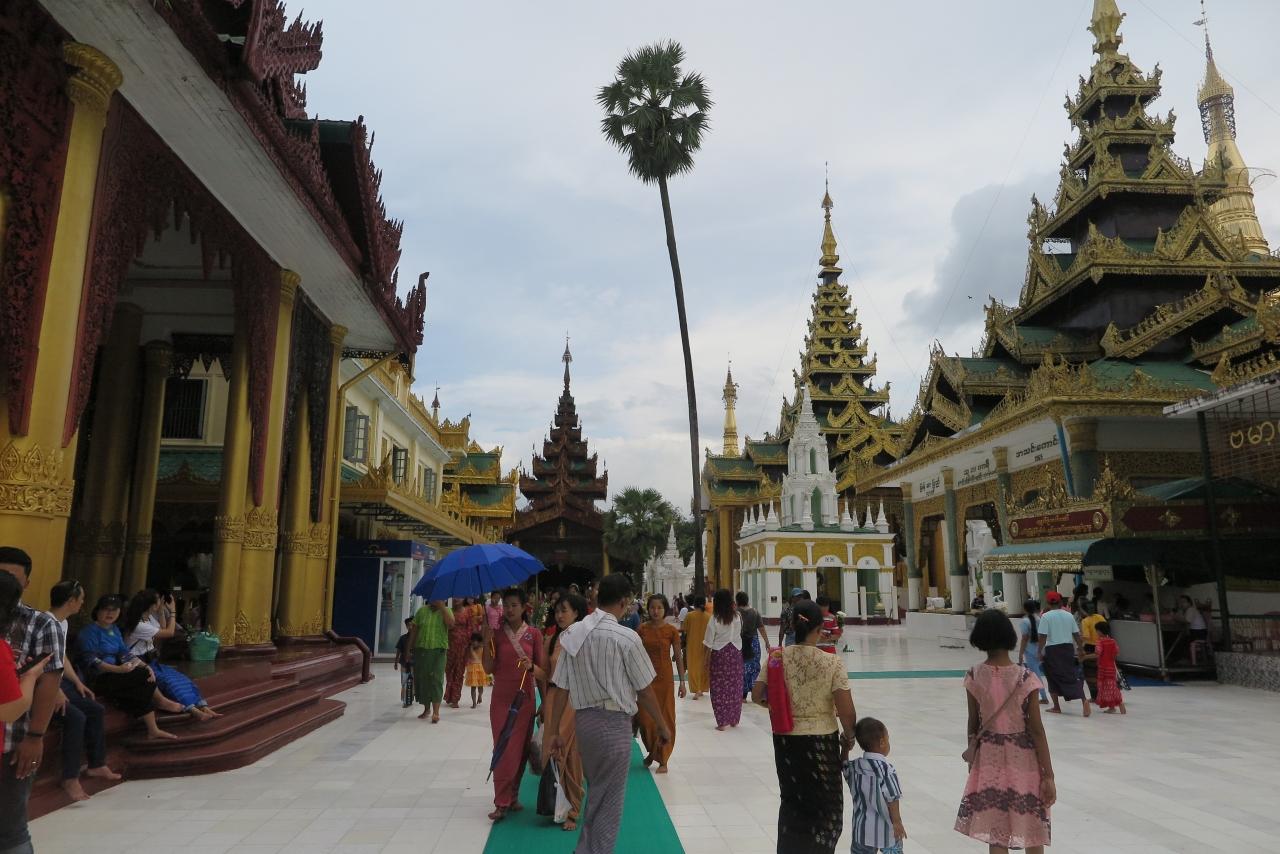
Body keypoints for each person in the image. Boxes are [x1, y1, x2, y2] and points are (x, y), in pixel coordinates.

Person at [546, 573, 669, 854]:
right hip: (614, 726)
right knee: (610, 802)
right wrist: (662, 726)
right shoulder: (627, 638)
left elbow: (560, 688)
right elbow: (645, 690)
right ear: (624, 602)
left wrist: (554, 732)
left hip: (585, 725)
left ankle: (585, 849)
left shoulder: (573, 635)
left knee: (598, 793)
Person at [752, 600, 856, 854]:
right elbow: (846, 711)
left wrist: (777, 706)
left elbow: (756, 694)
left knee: (792, 801)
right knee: (827, 808)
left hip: (787, 741)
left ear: (792, 626)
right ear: (819, 630)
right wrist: (849, 736)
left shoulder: (777, 657)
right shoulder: (832, 662)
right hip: (822, 743)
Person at [955, 609, 1055, 853]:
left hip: (989, 757)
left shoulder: (974, 675)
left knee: (996, 829)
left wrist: (974, 760)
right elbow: (1036, 730)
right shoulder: (1025, 677)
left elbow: (973, 723)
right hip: (1024, 758)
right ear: (1009, 637)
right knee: (1032, 826)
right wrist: (1049, 775)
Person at [0, 561, 56, 854]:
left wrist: (35, 736)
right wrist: (30, 677)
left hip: (12, 743)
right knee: (11, 835)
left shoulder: (42, 623)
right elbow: (10, 709)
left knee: (10, 828)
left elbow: (52, 682)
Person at [47, 580, 120, 801]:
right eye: (80, 599)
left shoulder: (63, 623)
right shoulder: (46, 623)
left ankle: (97, 764)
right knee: (76, 718)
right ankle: (70, 777)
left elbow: (61, 657)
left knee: (95, 709)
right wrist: (55, 690)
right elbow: (42, 660)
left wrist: (76, 682)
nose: (82, 604)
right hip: (44, 686)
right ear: (71, 601)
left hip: (60, 683)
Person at [78, 596, 187, 739]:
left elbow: (124, 653)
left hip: (116, 673)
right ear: (97, 611)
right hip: (98, 677)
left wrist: (145, 666)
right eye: (106, 609)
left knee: (145, 675)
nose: (110, 613)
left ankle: (152, 729)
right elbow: (91, 661)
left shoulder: (114, 629)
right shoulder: (88, 632)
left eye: (114, 610)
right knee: (142, 677)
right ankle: (157, 706)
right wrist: (118, 670)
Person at [481, 587, 546, 821]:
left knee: (520, 749)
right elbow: (488, 668)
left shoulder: (534, 634)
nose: (509, 609)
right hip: (501, 699)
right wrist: (485, 642)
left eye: (513, 605)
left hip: (525, 699)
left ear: (524, 607)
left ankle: (513, 796)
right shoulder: (496, 634)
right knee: (503, 748)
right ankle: (501, 801)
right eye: (506, 605)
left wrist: (545, 702)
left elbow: (543, 672)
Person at [123, 589, 219, 721]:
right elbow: (169, 633)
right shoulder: (138, 625)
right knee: (170, 683)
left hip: (152, 662)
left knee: (183, 679)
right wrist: (173, 612)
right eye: (158, 600)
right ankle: (192, 710)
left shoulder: (148, 618)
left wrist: (161, 611)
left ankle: (203, 706)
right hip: (139, 663)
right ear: (151, 605)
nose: (160, 601)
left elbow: (162, 628)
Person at [543, 591, 588, 830]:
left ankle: (573, 809)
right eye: (557, 610)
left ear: (577, 613)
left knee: (571, 756)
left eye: (565, 611)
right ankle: (558, 804)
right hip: (553, 699)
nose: (559, 615)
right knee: (554, 753)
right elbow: (545, 674)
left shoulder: (584, 639)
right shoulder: (552, 639)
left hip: (574, 700)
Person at [844, 717, 906, 854]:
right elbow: (892, 797)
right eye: (888, 739)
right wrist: (897, 822)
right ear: (882, 742)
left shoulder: (855, 766)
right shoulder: (887, 770)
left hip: (861, 830)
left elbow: (844, 767)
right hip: (886, 829)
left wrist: (845, 749)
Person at [636, 593, 683, 772]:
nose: (655, 611)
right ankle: (652, 750)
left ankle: (663, 759)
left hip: (665, 680)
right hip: (645, 679)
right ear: (648, 609)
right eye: (652, 608)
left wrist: (683, 682)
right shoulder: (642, 629)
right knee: (645, 719)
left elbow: (678, 656)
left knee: (666, 717)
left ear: (665, 610)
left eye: (659, 608)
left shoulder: (671, 631)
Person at [1036, 591, 1090, 717]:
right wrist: (1080, 649)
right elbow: (1076, 634)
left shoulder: (1046, 616)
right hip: (1067, 649)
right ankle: (1083, 699)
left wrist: (1039, 651)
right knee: (1070, 675)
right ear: (1060, 602)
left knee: (1051, 677)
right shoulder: (1068, 615)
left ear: (1048, 603)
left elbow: (1042, 636)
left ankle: (1056, 706)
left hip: (1052, 650)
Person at [409, 599, 453, 723]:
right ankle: (427, 709)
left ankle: (436, 712)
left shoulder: (447, 610)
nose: (436, 599)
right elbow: (414, 632)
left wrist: (442, 608)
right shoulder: (421, 611)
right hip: (421, 650)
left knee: (437, 680)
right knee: (424, 679)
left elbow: (451, 624)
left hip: (439, 651)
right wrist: (408, 650)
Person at [704, 588, 743, 731]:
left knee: (718, 688)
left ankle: (722, 722)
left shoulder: (715, 618)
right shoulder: (738, 616)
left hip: (719, 656)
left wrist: (705, 661)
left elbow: (708, 642)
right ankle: (734, 719)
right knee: (735, 687)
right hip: (735, 654)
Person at [737, 591, 770, 699]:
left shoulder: (735, 613)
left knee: (742, 667)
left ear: (737, 601)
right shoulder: (755, 612)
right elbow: (761, 628)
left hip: (739, 642)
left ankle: (743, 695)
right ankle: (756, 692)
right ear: (747, 600)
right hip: (753, 642)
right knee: (755, 666)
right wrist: (767, 642)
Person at [444, 597, 476, 709]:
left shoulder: (468, 611)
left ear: (463, 599)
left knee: (459, 672)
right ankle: (449, 695)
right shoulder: (448, 612)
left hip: (463, 646)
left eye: (459, 597)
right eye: (455, 597)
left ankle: (455, 699)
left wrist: (468, 644)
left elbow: (470, 628)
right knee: (449, 671)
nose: (456, 599)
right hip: (449, 645)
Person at [1089, 621, 1126, 715]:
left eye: (1096, 631)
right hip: (1111, 667)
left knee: (1105, 687)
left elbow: (1097, 653)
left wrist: (1085, 657)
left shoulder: (1100, 641)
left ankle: (1112, 707)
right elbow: (1116, 653)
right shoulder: (1113, 641)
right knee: (1112, 686)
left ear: (1099, 631)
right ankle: (1119, 703)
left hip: (1103, 668)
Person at [1016, 599, 1049, 705]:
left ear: (1024, 609)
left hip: (1030, 650)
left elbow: (1024, 638)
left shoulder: (1024, 621)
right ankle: (1032, 694)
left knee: (1035, 674)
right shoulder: (1039, 618)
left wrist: (1020, 653)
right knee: (1035, 673)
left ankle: (1044, 697)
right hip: (1040, 649)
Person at [682, 594, 711, 699]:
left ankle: (697, 689)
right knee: (703, 667)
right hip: (705, 646)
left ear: (694, 604)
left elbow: (684, 630)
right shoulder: (709, 616)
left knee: (693, 668)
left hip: (692, 645)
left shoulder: (689, 616)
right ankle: (701, 688)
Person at [394, 616, 414, 708]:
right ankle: (405, 701)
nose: (410, 627)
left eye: (412, 625)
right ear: (406, 626)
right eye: (408, 625)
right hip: (404, 663)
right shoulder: (402, 638)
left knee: (412, 681)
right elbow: (398, 651)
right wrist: (395, 662)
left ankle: (410, 698)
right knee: (404, 681)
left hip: (414, 664)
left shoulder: (418, 638)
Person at [465, 632, 487, 708]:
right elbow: (469, 656)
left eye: (476, 641)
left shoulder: (482, 648)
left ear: (479, 641)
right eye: (473, 640)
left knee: (480, 686)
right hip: (472, 669)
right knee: (473, 687)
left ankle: (480, 695)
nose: (474, 642)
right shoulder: (470, 648)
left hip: (481, 669)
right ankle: (474, 703)